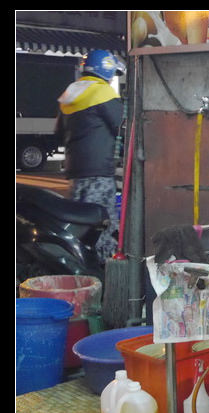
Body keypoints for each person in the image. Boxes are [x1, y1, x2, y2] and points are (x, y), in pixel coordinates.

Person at [55, 49, 125, 264]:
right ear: (106, 69)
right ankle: (104, 274)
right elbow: (122, 127)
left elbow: (58, 133)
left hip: (75, 175)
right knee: (103, 226)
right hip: (99, 175)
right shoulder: (103, 92)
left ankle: (78, 263)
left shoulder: (71, 92)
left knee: (79, 225)